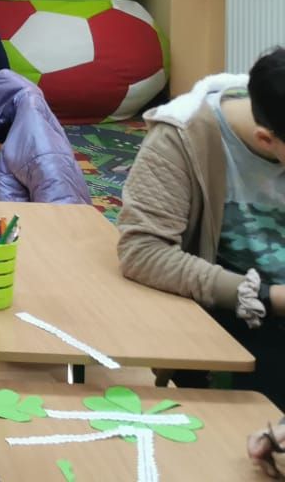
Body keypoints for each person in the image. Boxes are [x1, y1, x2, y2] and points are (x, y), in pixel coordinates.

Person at [117, 48, 285, 404]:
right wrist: (266, 297)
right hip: (238, 306)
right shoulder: (183, 137)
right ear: (265, 140)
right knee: (260, 414)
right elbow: (143, 252)